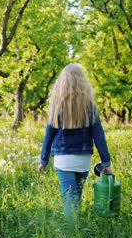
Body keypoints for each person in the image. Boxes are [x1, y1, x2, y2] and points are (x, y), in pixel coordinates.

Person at [38, 64, 112, 223]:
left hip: (63, 160)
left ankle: (72, 236)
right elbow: (99, 136)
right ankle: (77, 231)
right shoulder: (90, 107)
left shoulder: (57, 106)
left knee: (69, 198)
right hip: (83, 159)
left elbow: (48, 135)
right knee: (76, 196)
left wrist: (43, 160)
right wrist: (106, 161)